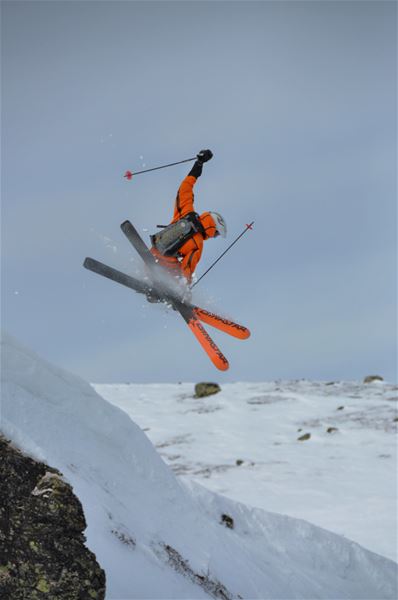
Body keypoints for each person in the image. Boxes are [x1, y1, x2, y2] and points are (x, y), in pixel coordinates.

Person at [150, 149, 227, 285]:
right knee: (179, 272)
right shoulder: (198, 242)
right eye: (215, 234)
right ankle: (164, 288)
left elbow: (184, 189)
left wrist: (198, 164)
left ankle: (152, 282)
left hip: (155, 249)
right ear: (213, 227)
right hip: (166, 265)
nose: (212, 237)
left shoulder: (186, 213)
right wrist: (185, 287)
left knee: (171, 265)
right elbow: (188, 266)